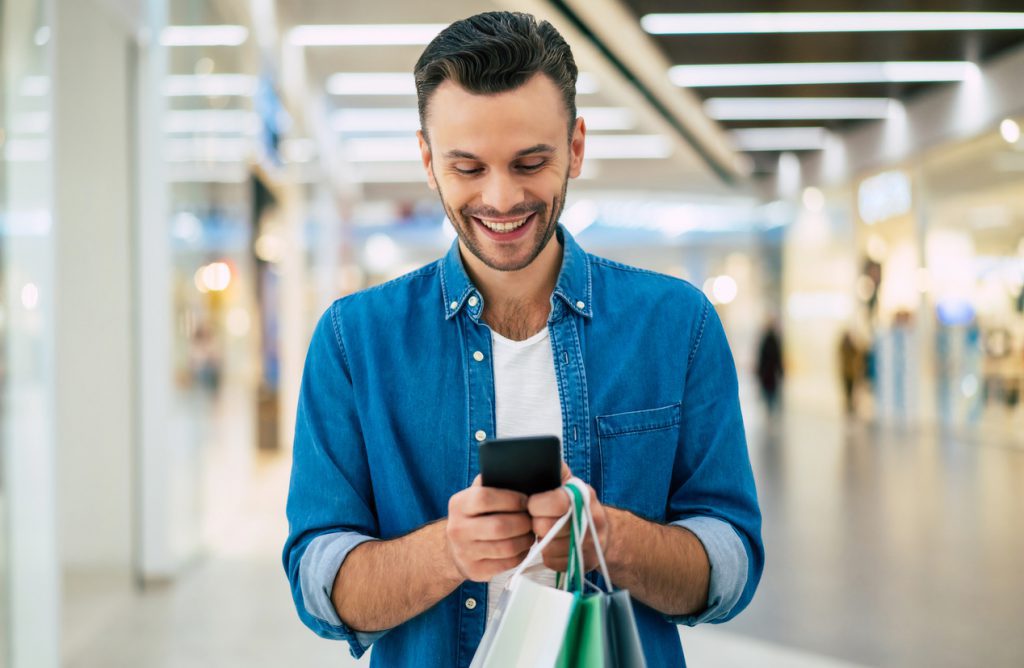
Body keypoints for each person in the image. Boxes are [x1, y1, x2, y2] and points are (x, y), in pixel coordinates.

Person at [283, 12, 763, 667]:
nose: (501, 198)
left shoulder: (678, 326)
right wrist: (449, 551)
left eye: (530, 162)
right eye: (468, 167)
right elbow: (318, 586)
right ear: (427, 159)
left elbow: (731, 567)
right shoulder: (352, 341)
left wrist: (608, 541)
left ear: (576, 147)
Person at [755, 318, 784, 414]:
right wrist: (780, 371)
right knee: (771, 391)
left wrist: (759, 371)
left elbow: (762, 357)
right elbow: (778, 357)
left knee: (768, 392)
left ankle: (770, 408)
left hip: (766, 373)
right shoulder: (774, 340)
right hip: (771, 373)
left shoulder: (766, 340)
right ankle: (771, 408)